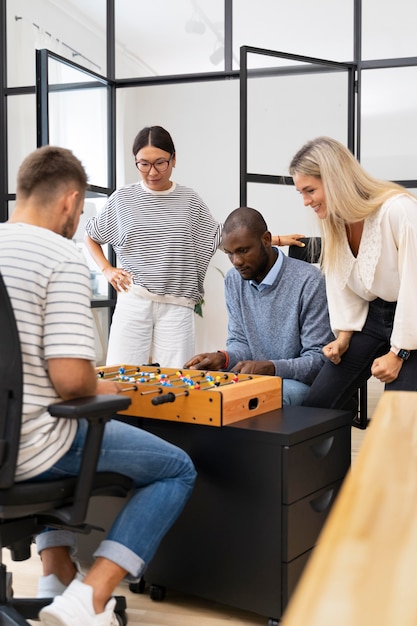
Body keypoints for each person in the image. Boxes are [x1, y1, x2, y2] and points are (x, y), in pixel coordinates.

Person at [0, 145, 197, 626]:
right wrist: (108, 392)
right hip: (30, 450)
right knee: (176, 468)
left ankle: (55, 571)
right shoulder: (60, 257)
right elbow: (71, 383)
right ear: (70, 202)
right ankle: (90, 597)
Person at [84, 125, 306, 369]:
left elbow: (221, 236)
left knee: (178, 382)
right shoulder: (123, 199)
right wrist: (107, 269)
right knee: (120, 375)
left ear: (174, 159)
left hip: (178, 305)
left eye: (160, 163)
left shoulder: (188, 200)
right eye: (143, 164)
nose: (152, 172)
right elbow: (91, 235)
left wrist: (275, 239)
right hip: (134, 299)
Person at [289, 136, 417, 411]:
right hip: (375, 315)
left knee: (398, 420)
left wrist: (399, 353)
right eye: (300, 192)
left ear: (334, 180)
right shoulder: (336, 221)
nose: (305, 201)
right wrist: (343, 337)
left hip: (412, 319)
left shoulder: (398, 210)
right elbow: (341, 283)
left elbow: (414, 288)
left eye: (309, 190)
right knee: (317, 405)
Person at [184, 207, 334, 405]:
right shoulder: (233, 280)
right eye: (230, 253)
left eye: (243, 251)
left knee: (252, 400)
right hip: (254, 380)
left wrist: (271, 368)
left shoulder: (309, 281)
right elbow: (240, 342)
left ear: (266, 240)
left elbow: (318, 361)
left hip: (296, 383)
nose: (236, 261)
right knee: (197, 392)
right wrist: (224, 358)